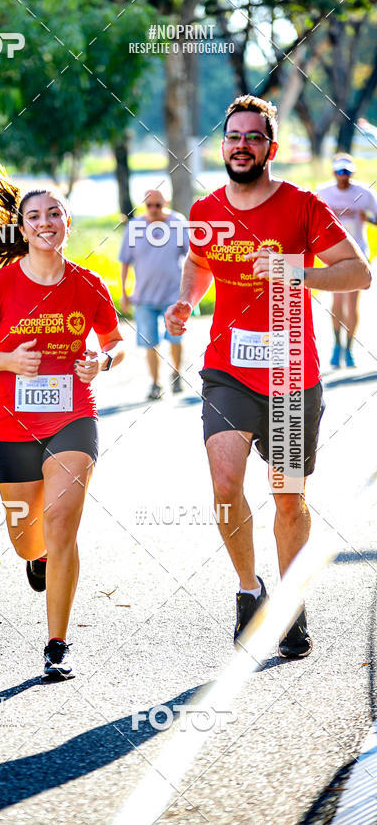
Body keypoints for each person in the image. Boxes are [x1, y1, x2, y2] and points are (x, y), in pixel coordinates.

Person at [166, 95, 371, 659]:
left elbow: (359, 273)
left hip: (290, 377)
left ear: (270, 149)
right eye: (233, 136)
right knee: (226, 483)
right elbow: (199, 265)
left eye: (253, 137)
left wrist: (294, 270)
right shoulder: (207, 211)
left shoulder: (303, 207)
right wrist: (186, 302)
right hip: (228, 371)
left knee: (287, 498)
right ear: (223, 144)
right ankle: (248, 590)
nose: (241, 145)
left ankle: (291, 602)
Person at [0, 170, 125, 680]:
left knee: (63, 522)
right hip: (12, 426)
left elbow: (116, 341)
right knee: (28, 539)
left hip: (74, 417)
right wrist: (6, 361)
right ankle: (38, 557)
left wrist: (103, 361)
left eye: (54, 214)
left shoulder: (88, 284)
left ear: (67, 222)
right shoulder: (1, 285)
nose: (45, 223)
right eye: (34, 217)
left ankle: (57, 644)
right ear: (22, 229)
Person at [119, 189, 188, 400]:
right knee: (149, 342)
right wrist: (123, 292)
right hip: (144, 296)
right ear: (144, 205)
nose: (154, 210)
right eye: (149, 205)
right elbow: (125, 262)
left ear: (165, 203)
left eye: (158, 205)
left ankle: (176, 373)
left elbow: (192, 257)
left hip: (172, 294)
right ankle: (155, 383)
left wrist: (188, 292)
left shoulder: (177, 222)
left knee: (175, 338)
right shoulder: (134, 227)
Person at [317, 153, 377, 368]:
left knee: (351, 303)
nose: (344, 177)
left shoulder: (364, 193)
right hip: (333, 253)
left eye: (348, 172)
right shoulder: (323, 193)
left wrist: (367, 218)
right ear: (334, 172)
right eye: (340, 172)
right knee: (337, 301)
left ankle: (349, 348)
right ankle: (336, 346)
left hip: (359, 252)